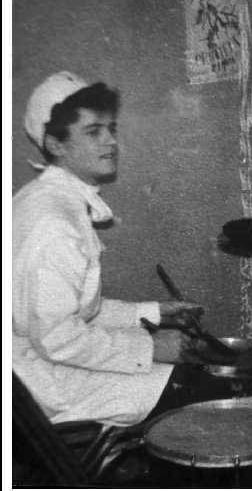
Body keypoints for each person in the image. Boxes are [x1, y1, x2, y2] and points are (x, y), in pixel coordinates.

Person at [13, 71, 206, 427]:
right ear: (56, 145)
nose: (111, 141)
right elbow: (56, 338)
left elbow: (70, 312)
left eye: (110, 129)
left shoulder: (49, 198)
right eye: (93, 132)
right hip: (42, 385)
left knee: (178, 377)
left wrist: (155, 313)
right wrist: (152, 347)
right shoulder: (54, 223)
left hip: (41, 365)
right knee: (193, 394)